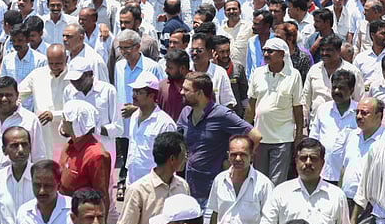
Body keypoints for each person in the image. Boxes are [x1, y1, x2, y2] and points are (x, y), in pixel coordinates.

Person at [116, 132, 190, 224]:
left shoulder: (183, 186)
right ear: (172, 159)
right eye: (184, 154)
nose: (186, 158)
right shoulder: (138, 190)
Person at [178, 71, 257, 205]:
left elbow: (255, 136)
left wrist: (236, 162)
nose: (181, 92)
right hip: (189, 189)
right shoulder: (185, 113)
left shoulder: (222, 115)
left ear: (200, 93)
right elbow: (178, 140)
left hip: (213, 193)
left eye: (186, 89)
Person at [246, 37, 304, 186]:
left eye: (270, 51)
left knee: (276, 182)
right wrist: (246, 133)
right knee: (259, 181)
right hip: (259, 137)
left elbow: (298, 108)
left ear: (281, 54)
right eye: (264, 51)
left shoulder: (294, 75)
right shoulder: (257, 73)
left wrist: (298, 136)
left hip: (282, 139)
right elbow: (251, 105)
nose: (265, 54)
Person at [123, 72, 176, 185]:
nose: (134, 95)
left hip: (154, 185)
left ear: (151, 96)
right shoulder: (134, 116)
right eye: (134, 91)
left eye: (139, 92)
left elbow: (171, 160)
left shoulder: (165, 123)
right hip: (132, 181)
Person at [59, 100, 112, 214]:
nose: (62, 122)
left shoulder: (97, 155)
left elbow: (101, 196)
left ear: (75, 123)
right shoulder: (69, 146)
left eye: (65, 119)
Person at [308, 69, 358, 184]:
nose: (336, 91)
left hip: (349, 176)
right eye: (334, 87)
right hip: (323, 173)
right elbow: (313, 140)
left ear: (351, 90)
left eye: (341, 88)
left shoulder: (359, 112)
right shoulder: (323, 110)